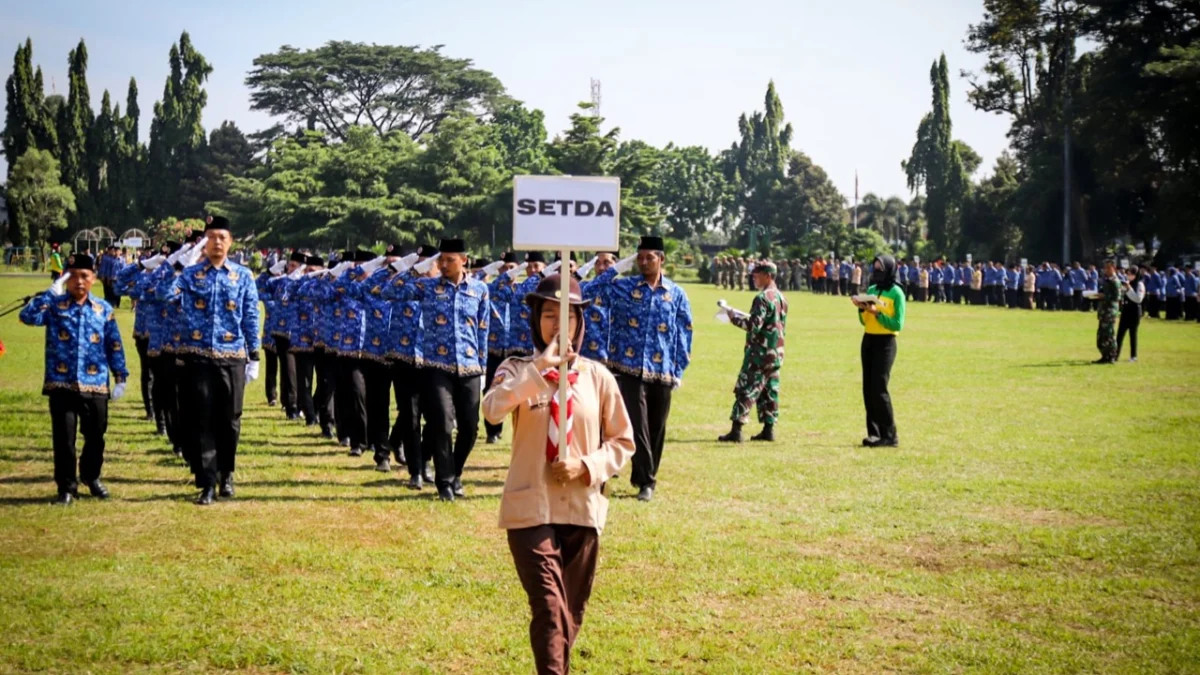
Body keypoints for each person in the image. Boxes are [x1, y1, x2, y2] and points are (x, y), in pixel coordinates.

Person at [482, 274, 634, 675]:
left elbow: (623, 442)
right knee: (549, 607)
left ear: (579, 323)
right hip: (530, 507)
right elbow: (492, 409)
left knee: (570, 610)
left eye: (566, 316)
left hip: (582, 509)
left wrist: (587, 465)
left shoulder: (597, 377)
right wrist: (537, 370)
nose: (556, 324)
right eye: (548, 314)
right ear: (535, 320)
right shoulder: (515, 369)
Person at [384, 238, 489, 501]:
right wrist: (414, 268)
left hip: (469, 367)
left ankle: (455, 473)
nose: (443, 265)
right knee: (442, 425)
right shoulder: (427, 287)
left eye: (449, 260)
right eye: (440, 259)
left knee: (470, 428)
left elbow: (483, 330)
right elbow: (389, 290)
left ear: (464, 260)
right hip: (436, 368)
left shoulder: (479, 290)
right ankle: (444, 483)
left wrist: (484, 367)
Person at [588, 236, 692, 502]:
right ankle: (647, 481)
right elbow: (589, 290)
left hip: (663, 368)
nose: (644, 263)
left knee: (657, 426)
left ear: (661, 260)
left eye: (649, 258)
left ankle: (643, 474)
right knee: (637, 425)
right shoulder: (623, 287)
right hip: (629, 367)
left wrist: (679, 367)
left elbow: (684, 331)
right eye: (640, 258)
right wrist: (614, 269)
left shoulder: (675, 293)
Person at [19, 253, 129, 505]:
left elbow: (114, 344)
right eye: (73, 277)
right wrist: (49, 294)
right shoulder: (55, 307)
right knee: (64, 440)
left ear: (93, 278)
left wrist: (120, 376)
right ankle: (67, 487)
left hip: (95, 383)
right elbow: (27, 317)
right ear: (66, 280)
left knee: (95, 436)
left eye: (84, 276)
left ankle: (91, 477)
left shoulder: (104, 309)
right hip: (62, 383)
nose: (79, 282)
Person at [168, 216, 261, 505]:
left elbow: (251, 315)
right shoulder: (191, 275)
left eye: (222, 237)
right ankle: (207, 482)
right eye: (211, 237)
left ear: (230, 242)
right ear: (204, 242)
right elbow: (164, 295)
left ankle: (227, 474)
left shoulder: (243, 275)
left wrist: (254, 356)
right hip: (199, 358)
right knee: (202, 420)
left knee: (230, 420)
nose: (217, 242)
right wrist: (180, 264)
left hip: (232, 357)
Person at [718, 261, 787, 443]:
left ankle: (736, 430)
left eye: (757, 274)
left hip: (760, 353)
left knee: (746, 388)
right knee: (769, 390)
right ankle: (768, 430)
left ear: (768, 275)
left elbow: (753, 326)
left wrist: (732, 317)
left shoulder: (762, 298)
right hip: (776, 352)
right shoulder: (781, 298)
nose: (754, 277)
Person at [852, 255, 905, 447]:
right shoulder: (873, 289)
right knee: (868, 388)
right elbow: (863, 321)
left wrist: (878, 313)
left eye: (880, 269)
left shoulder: (897, 293)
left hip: (886, 343)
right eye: (874, 268)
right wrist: (861, 308)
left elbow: (898, 323)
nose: (877, 272)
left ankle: (890, 435)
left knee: (880, 388)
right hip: (869, 339)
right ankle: (873, 433)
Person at [1091, 259, 1122, 364]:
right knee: (1102, 335)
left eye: (1109, 267)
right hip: (1103, 310)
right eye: (1105, 268)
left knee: (1109, 334)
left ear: (1114, 268)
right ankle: (1104, 355)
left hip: (1110, 311)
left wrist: (1105, 296)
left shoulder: (1115, 281)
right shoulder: (1106, 280)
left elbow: (1117, 297)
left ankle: (1111, 356)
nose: (1106, 270)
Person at [1116, 266, 1145, 363]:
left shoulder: (1139, 285)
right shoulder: (1127, 284)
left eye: (1130, 274)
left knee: (1133, 334)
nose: (1128, 276)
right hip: (1126, 311)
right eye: (1127, 274)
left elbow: (1138, 299)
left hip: (1134, 312)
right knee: (1120, 334)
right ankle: (1115, 355)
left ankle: (1133, 356)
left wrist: (1129, 289)